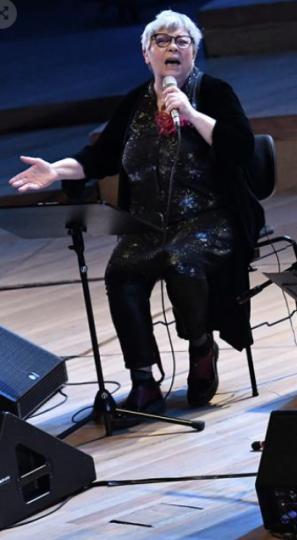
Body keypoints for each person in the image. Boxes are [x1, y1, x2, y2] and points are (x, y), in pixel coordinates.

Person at [8, 10, 263, 426]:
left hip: (207, 219)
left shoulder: (214, 92)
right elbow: (99, 157)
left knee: (181, 262)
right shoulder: (134, 103)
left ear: (194, 51)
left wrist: (191, 114)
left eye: (182, 40)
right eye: (161, 40)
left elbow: (241, 148)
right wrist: (57, 170)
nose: (172, 47)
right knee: (121, 272)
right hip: (146, 225)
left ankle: (202, 348)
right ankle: (143, 380)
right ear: (147, 54)